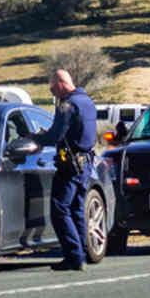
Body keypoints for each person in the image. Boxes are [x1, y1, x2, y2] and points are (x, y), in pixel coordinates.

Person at [33, 69, 98, 271]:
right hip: (85, 162)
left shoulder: (68, 105)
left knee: (60, 209)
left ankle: (73, 256)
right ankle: (83, 252)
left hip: (70, 165)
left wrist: (36, 137)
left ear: (61, 84)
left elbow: (55, 136)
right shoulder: (87, 102)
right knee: (77, 209)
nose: (52, 92)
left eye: (53, 88)